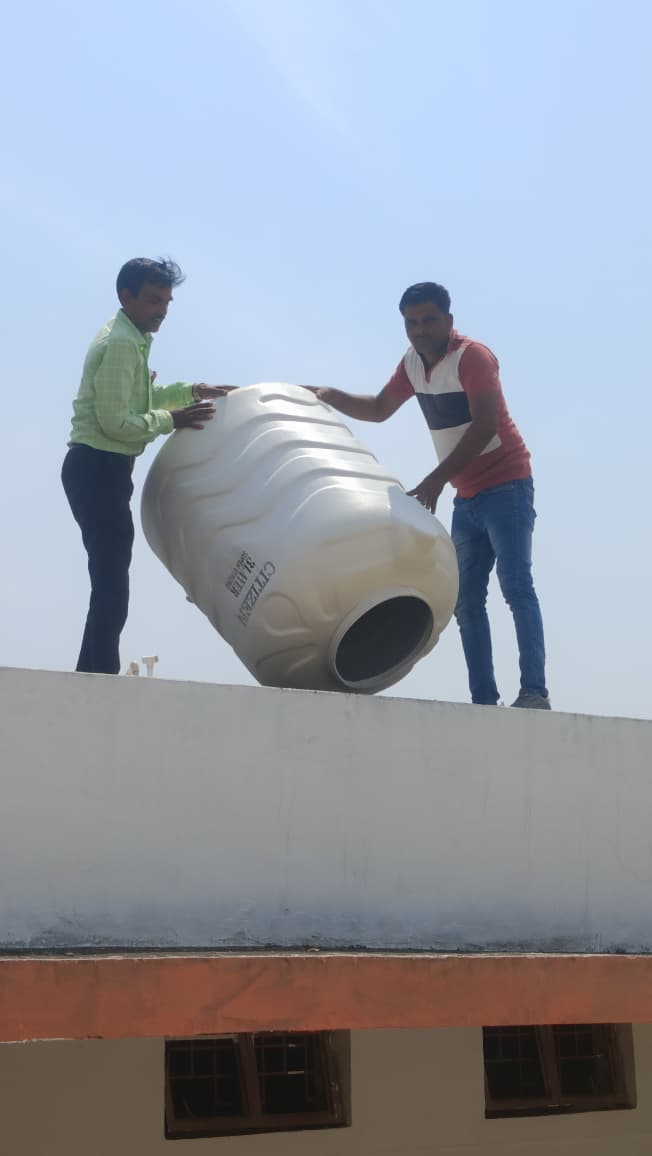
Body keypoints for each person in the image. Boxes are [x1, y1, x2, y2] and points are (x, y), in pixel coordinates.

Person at [309, 282, 550, 709]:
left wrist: (437, 479)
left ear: (448, 321)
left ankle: (534, 691)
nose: (420, 330)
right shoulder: (412, 364)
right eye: (411, 323)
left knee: (516, 585)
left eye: (429, 320)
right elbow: (379, 408)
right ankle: (484, 702)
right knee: (466, 601)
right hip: (466, 495)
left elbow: (485, 426)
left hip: (506, 485)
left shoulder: (472, 357)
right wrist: (329, 396)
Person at [62, 256, 228, 676]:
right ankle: (97, 676)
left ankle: (93, 673)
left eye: (167, 302)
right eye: (154, 300)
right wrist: (172, 420)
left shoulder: (130, 338)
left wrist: (191, 391)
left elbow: (138, 403)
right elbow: (116, 423)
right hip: (98, 466)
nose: (162, 311)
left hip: (102, 468)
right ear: (127, 296)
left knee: (110, 579)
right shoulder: (121, 344)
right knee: (111, 583)